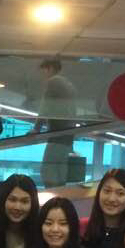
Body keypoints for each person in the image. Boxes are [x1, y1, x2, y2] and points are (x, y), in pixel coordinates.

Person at [34, 57, 78, 188]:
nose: (43, 75)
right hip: (67, 137)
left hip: (57, 134)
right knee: (59, 170)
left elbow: (45, 107)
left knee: (48, 170)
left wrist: (36, 128)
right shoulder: (69, 85)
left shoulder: (54, 81)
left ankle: (53, 196)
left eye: (44, 71)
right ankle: (60, 194)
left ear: (50, 68)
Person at [0, 174, 39, 248]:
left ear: (32, 204)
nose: (17, 207)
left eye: (24, 201)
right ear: (3, 200)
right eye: (12, 200)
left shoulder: (40, 234)